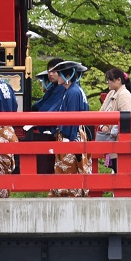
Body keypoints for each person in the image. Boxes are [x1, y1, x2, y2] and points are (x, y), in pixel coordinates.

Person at [43, 60, 92, 193]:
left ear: (67, 76)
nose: (57, 76)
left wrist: (66, 138)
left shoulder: (73, 92)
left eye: (59, 74)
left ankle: (70, 197)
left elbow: (72, 118)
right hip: (74, 133)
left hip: (71, 134)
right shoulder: (74, 90)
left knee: (68, 171)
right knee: (72, 171)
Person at [96, 66, 131, 175]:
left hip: (120, 137)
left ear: (119, 80)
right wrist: (102, 124)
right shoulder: (111, 93)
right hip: (113, 137)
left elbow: (127, 117)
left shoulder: (124, 95)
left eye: (110, 79)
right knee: (116, 170)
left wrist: (111, 129)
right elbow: (101, 112)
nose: (108, 82)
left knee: (121, 171)